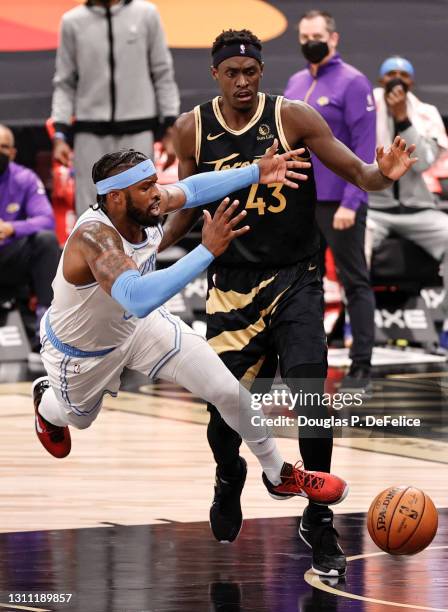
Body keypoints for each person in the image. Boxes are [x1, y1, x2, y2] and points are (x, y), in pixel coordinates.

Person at [161, 29, 416, 576]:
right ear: (215, 76)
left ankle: (318, 521)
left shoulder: (293, 117)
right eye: (232, 73)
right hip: (231, 285)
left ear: (261, 73)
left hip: (297, 278)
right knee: (225, 410)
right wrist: (148, 250)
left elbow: (356, 171)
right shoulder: (192, 129)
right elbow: (183, 206)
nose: (243, 82)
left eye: (251, 72)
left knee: (311, 395)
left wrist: (382, 175)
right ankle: (229, 475)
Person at [33, 145, 349, 518]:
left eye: (155, 184)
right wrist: (206, 251)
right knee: (78, 419)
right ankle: (46, 404)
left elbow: (194, 189)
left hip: (140, 327)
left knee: (227, 390)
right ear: (115, 197)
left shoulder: (144, 204)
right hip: (83, 352)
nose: (157, 195)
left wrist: (256, 171)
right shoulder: (94, 239)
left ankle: (278, 474)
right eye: (146, 188)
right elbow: (137, 296)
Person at [284, 9, 376, 390]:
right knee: (305, 284)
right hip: (300, 202)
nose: (310, 43)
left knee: (355, 281)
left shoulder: (353, 83)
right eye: (304, 37)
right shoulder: (295, 81)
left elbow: (365, 147)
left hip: (338, 201)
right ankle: (309, 361)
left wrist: (351, 203)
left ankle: (361, 367)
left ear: (333, 38)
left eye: (317, 35)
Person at [369, 56, 448, 358]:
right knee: (357, 240)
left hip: (419, 208)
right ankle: (357, 322)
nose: (397, 80)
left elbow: (426, 162)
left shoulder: (427, 113)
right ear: (381, 80)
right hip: (375, 208)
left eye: (403, 75)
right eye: (390, 74)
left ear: (412, 81)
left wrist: (403, 119)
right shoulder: (365, 107)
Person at [51, 0, 180, 216]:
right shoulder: (72, 22)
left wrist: (170, 129)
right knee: (90, 208)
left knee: (142, 207)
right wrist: (60, 134)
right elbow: (64, 83)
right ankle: (92, 251)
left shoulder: (146, 14)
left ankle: (143, 251)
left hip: (138, 131)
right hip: (89, 135)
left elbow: (163, 74)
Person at [0, 124, 59, 353]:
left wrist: (11, 228)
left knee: (46, 241)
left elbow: (47, 220)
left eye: (4, 147)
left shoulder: (24, 178)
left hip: (10, 256)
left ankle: (46, 328)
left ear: (13, 152)